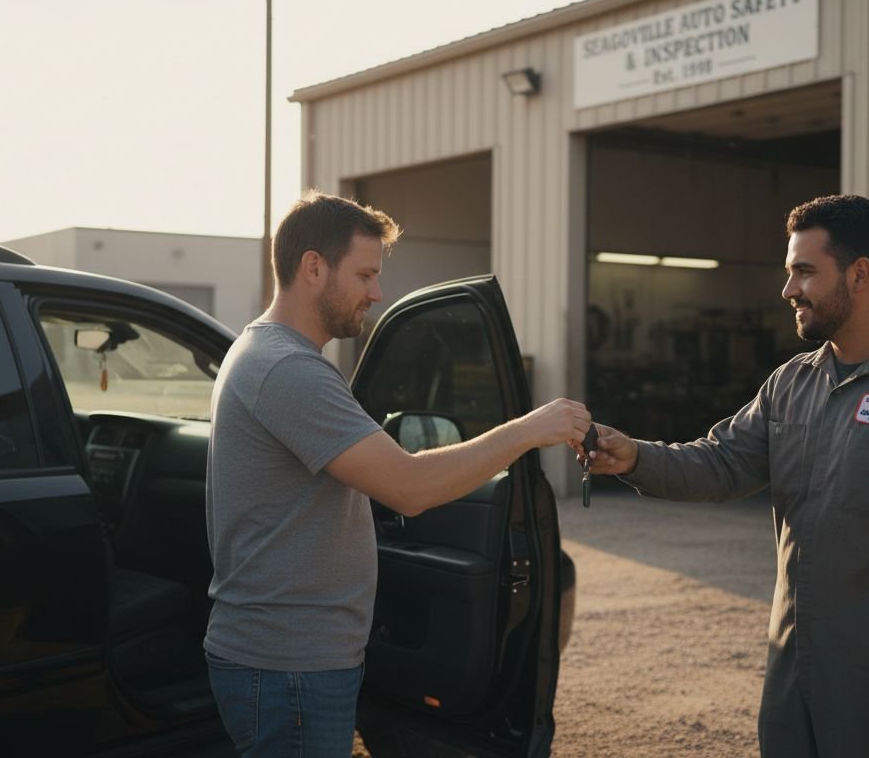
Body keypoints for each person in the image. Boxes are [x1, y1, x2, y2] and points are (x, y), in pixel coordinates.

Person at [582, 194, 869, 757]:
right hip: (791, 671)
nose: (788, 291)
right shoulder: (791, 384)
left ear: (860, 275)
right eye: (790, 273)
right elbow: (722, 461)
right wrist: (635, 456)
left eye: (804, 273)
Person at [204, 191, 590, 757]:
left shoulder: (265, 353)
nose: (376, 292)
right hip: (290, 667)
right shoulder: (288, 369)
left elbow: (396, 470)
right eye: (364, 274)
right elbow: (409, 488)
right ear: (314, 267)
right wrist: (528, 429)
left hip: (285, 662)